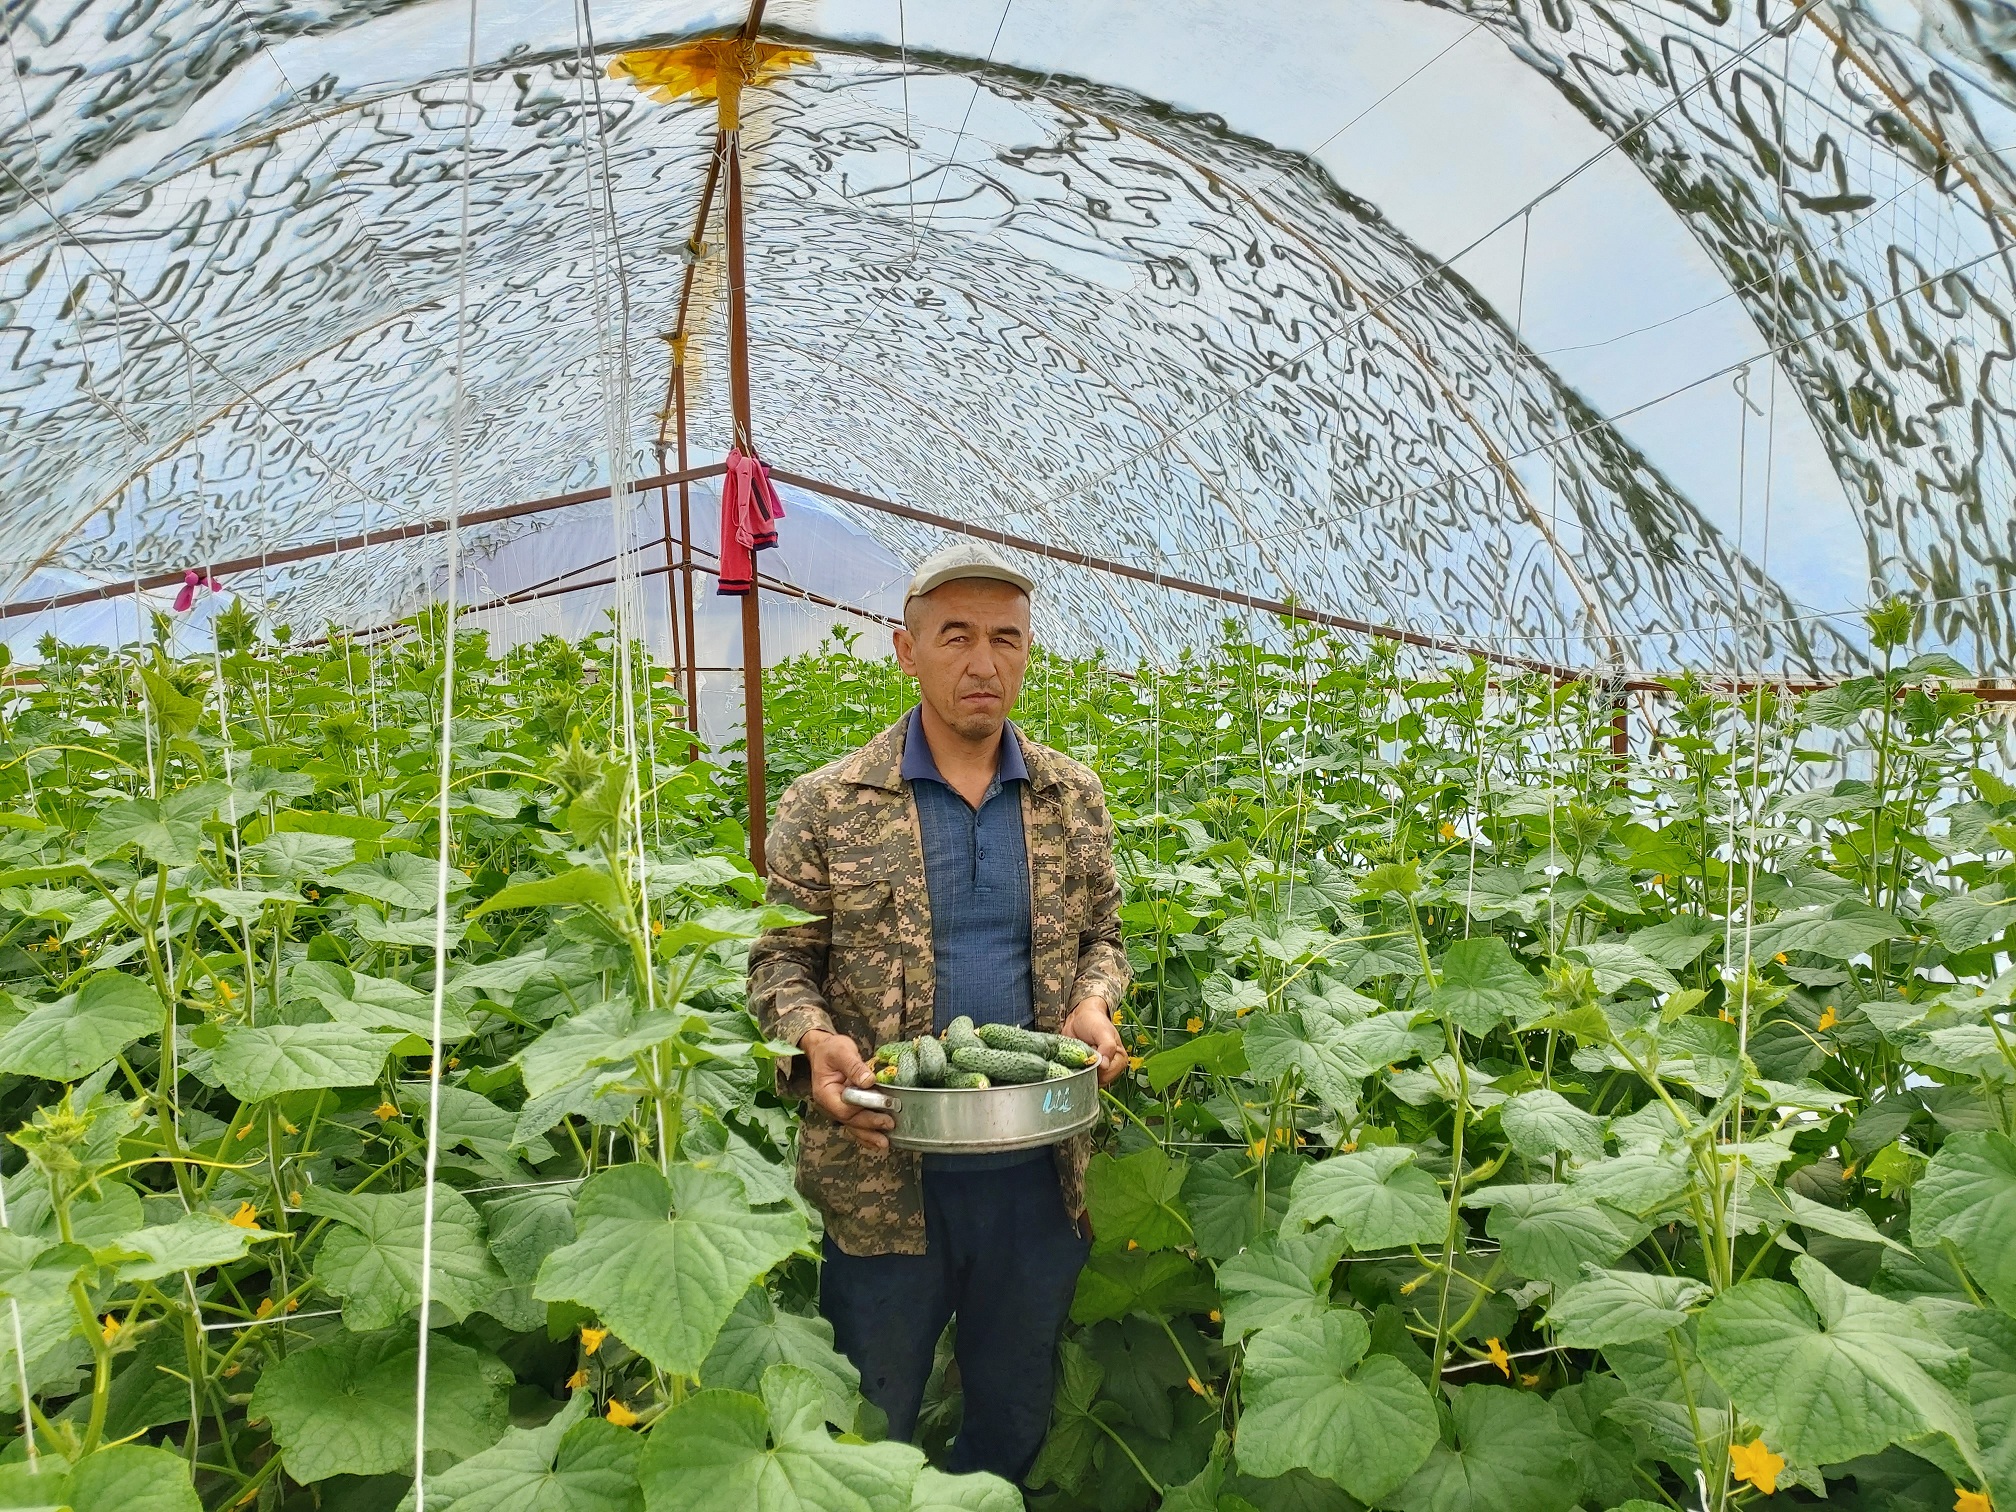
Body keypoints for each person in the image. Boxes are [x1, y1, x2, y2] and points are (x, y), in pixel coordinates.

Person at [748, 539, 1130, 1482]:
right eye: (954, 636)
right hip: (882, 1177)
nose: (982, 662)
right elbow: (777, 963)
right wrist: (814, 1041)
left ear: (1029, 652)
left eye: (1005, 639)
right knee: (871, 1423)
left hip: (1040, 1172)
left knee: (1011, 1415)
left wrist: (1093, 1005)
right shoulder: (826, 804)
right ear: (905, 650)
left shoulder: (1072, 798)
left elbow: (1105, 937)